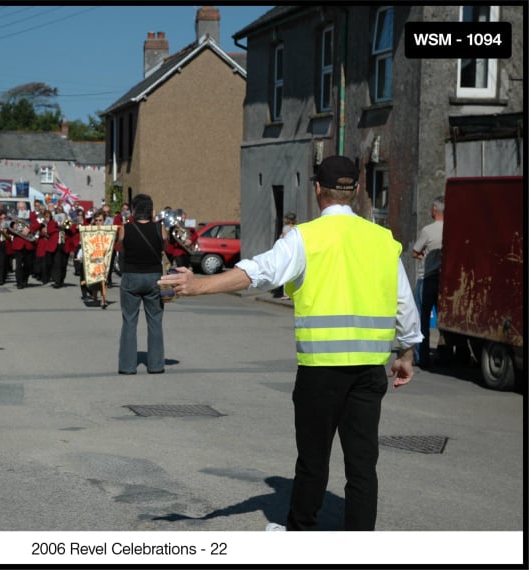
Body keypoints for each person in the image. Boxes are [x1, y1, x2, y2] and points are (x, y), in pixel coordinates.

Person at [159, 155, 422, 531]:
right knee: (363, 467)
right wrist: (406, 353)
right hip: (368, 371)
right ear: (358, 190)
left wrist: (199, 285)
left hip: (321, 374)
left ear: (318, 190)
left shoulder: (305, 238)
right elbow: (404, 305)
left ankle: (300, 533)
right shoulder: (383, 240)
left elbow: (259, 272)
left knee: (313, 462)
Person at [116, 193, 169, 374]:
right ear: (151, 211)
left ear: (133, 211)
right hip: (154, 276)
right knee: (155, 321)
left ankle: (127, 366)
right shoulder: (159, 229)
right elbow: (165, 247)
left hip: (131, 276)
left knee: (129, 321)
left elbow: (120, 248)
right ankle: (156, 365)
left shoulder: (126, 228)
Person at [412, 195, 444, 369]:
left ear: (434, 210)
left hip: (428, 278)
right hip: (445, 280)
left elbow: (415, 251)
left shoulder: (428, 230)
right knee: (444, 320)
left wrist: (422, 254)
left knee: (422, 319)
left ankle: (422, 357)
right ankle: (446, 354)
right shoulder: (452, 229)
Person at [273, 212, 297, 299]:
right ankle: (292, 292)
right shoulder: (296, 228)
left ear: (287, 219)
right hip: (294, 253)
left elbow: (284, 240)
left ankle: (286, 294)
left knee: (285, 272)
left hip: (286, 253)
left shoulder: (286, 228)